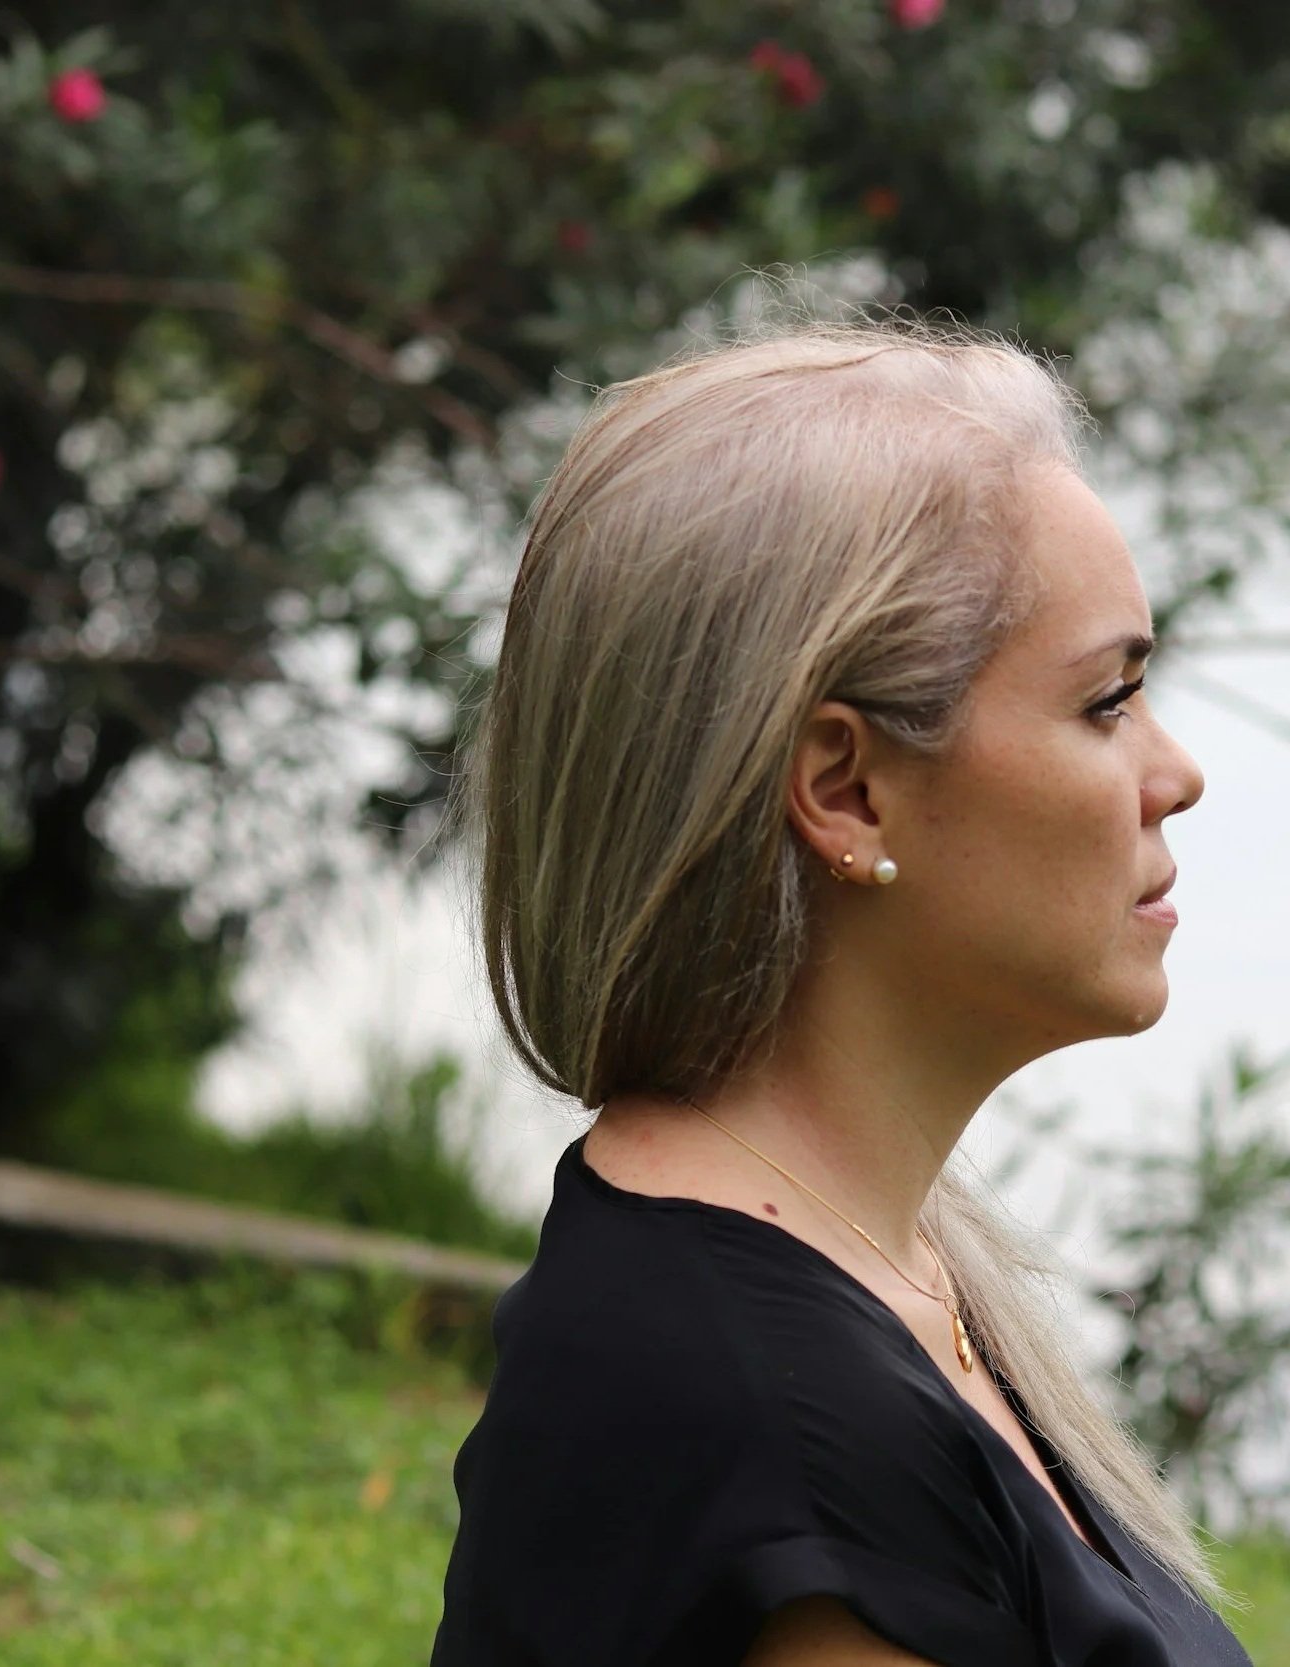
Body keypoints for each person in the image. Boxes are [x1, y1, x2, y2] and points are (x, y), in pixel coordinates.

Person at [428, 308, 1245, 1666]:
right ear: (847, 790)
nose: (1177, 774)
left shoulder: (867, 1281)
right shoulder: (789, 1437)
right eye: (1107, 702)